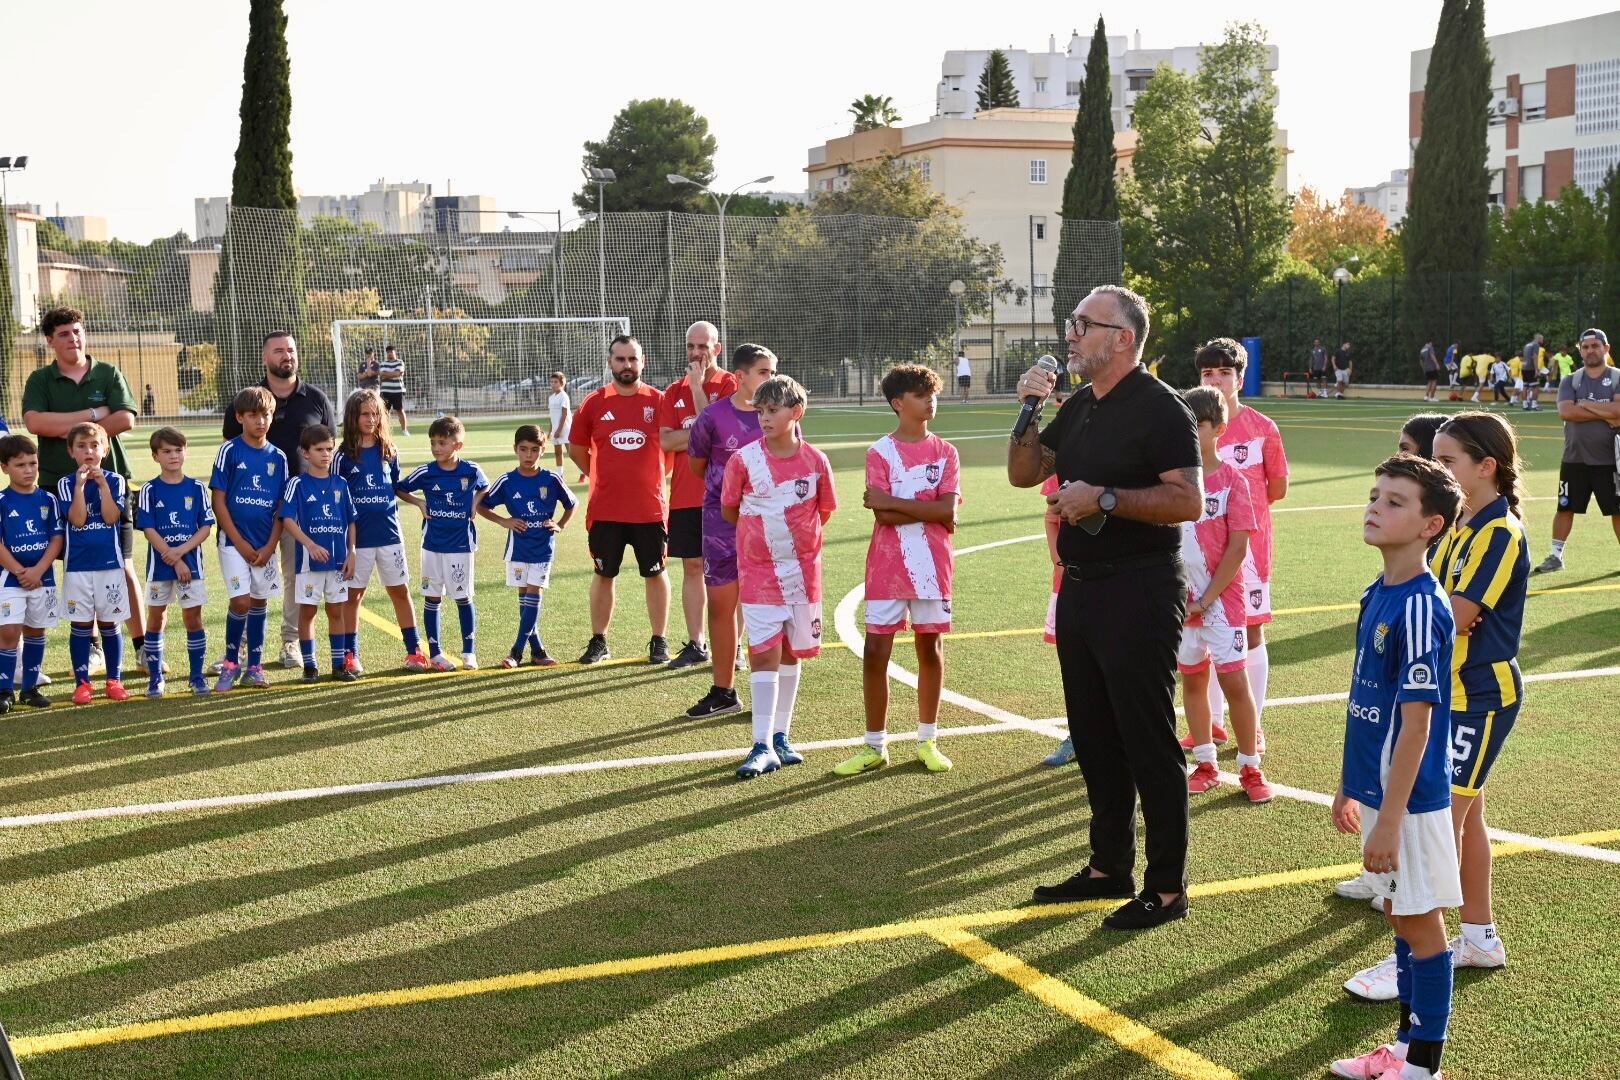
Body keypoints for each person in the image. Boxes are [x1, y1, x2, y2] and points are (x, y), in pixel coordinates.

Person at [1008, 284, 1203, 932]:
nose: (1070, 332)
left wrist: (1106, 499)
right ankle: (1108, 865)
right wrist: (1028, 410)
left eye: (1083, 323)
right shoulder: (1082, 405)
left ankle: (1168, 888)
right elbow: (1024, 470)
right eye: (1072, 322)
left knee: (1146, 740)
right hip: (1083, 588)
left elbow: (1187, 501)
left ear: (1122, 337)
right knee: (1093, 736)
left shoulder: (1161, 408)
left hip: (1140, 588)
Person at [1342, 412, 1528, 1001]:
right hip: (1449, 695)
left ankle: (1422, 958)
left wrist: (1405, 638)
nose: (1437, 467)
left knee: (1434, 828)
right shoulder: (1461, 527)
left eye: (1447, 461)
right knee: (1463, 820)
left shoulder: (1499, 533)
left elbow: (1461, 614)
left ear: (1486, 467)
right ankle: (1478, 935)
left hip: (1476, 697)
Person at [1328, 454, 1463, 1080]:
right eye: (1375, 494)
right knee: (1396, 913)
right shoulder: (1377, 592)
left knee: (1419, 919)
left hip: (1409, 797)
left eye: (1395, 502)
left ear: (1430, 526)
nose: (1376, 507)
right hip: (1380, 790)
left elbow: (1417, 725)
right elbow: (1368, 706)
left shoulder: (1418, 607)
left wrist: (1390, 821)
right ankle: (1405, 1050)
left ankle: (1423, 1066)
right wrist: (1350, 788)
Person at [834, 364, 960, 777]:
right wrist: (932, 510)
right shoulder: (879, 452)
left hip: (932, 566)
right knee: (875, 652)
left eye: (932, 392)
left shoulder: (946, 452)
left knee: (930, 649)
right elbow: (885, 519)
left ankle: (927, 739)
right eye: (921, 394)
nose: (931, 400)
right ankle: (875, 745)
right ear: (898, 404)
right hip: (887, 566)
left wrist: (894, 501)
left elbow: (944, 509)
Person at [719, 375, 836, 779]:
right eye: (760, 411)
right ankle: (761, 743)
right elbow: (730, 509)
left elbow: (824, 512)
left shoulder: (817, 461)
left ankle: (781, 737)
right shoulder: (743, 460)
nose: (765, 418)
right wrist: (765, 540)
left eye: (773, 410)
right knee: (763, 651)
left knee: (791, 651)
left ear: (796, 412)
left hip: (804, 575)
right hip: (759, 575)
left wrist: (794, 544)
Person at [23, 306, 147, 680]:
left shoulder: (107, 371)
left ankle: (143, 647)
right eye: (63, 333)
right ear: (50, 341)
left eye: (77, 331)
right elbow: (34, 422)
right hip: (59, 484)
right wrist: (94, 415)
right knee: (78, 568)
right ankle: (92, 648)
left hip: (111, 482)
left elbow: (125, 417)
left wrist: (69, 427)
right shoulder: (41, 379)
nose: (72, 338)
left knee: (123, 564)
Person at [1176, 387, 1272, 803]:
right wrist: (1182, 599)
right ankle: (1205, 762)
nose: (1188, 432)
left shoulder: (1232, 479)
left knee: (1234, 682)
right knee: (1192, 680)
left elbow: (1238, 547)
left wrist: (1205, 599)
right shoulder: (1172, 481)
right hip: (1181, 603)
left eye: (1197, 425)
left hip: (1222, 603)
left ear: (1218, 429)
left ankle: (1250, 767)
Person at [222, 331, 337, 669]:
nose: (286, 356)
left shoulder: (315, 398)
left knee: (294, 577)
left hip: (302, 508)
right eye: (278, 351)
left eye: (290, 350)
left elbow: (329, 446)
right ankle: (239, 648)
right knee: (247, 581)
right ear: (265, 358)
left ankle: (290, 643)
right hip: (253, 509)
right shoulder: (247, 399)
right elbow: (233, 450)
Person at [1195, 338, 1288, 751]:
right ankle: (1213, 721)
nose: (1215, 379)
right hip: (1200, 553)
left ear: (1240, 378)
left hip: (1248, 551)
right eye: (1207, 373)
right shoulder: (1190, 426)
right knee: (1206, 635)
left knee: (1249, 634)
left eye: (1224, 372)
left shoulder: (1262, 428)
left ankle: (1254, 724)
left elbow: (1278, 487)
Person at [683, 344, 777, 719]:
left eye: (774, 372)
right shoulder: (713, 417)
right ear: (740, 377)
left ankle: (770, 696)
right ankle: (723, 691)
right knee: (721, 607)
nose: (773, 379)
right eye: (765, 372)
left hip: (770, 527)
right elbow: (697, 466)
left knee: (768, 610)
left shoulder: (782, 415)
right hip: (721, 526)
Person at [568, 335, 671, 666]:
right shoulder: (594, 402)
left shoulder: (659, 401)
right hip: (606, 508)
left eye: (633, 359)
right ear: (610, 362)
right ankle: (599, 641)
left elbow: (670, 450)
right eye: (620, 359)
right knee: (603, 574)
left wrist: (651, 476)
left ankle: (659, 640)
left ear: (643, 362)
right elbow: (575, 447)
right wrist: (599, 474)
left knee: (656, 573)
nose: (627, 365)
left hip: (650, 508)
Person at [659, 321, 739, 671]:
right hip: (686, 495)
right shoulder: (671, 392)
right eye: (691, 346)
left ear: (716, 349)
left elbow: (716, 430)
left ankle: (733, 647)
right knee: (692, 566)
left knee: (731, 572)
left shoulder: (731, 384)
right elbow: (665, 440)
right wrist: (697, 435)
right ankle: (697, 643)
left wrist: (695, 389)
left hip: (725, 494)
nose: (696, 353)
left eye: (703, 346)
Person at [335, 389, 427, 673]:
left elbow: (396, 487)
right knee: (354, 596)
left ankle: (414, 651)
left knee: (400, 591)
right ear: (353, 416)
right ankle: (351, 655)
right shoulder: (342, 456)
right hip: (357, 540)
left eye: (376, 414)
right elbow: (336, 498)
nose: (371, 419)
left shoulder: (389, 450)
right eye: (365, 413)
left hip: (390, 536)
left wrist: (419, 502)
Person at [396, 415, 489, 670]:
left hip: (461, 545)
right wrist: (419, 502)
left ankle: (469, 652)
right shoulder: (426, 472)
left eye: (442, 442)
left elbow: (485, 487)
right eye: (433, 443)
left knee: (463, 598)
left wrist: (475, 503)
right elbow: (400, 488)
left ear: (457, 445)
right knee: (431, 597)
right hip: (432, 545)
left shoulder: (471, 470)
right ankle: (436, 653)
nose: (436, 448)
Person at [211, 387, 288, 691]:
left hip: (265, 545)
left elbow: (283, 507)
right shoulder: (230, 451)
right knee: (240, 601)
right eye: (253, 415)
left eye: (265, 414)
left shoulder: (279, 457)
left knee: (259, 601)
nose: (260, 420)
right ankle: (231, 662)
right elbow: (219, 501)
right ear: (240, 417)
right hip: (233, 544)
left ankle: (254, 667)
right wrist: (240, 542)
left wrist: (270, 546)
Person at [479, 424, 575, 668]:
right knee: (525, 602)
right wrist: (504, 521)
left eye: (534, 450)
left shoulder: (551, 479)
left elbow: (571, 503)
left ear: (542, 451)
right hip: (518, 548)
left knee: (533, 596)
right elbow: (482, 506)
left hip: (543, 548)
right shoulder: (507, 480)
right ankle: (539, 651)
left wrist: (560, 525)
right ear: (515, 450)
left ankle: (516, 652)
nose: (528, 455)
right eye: (524, 449)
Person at [1532, 327, 1620, 574]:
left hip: (1610, 460)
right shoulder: (1570, 380)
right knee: (1565, 507)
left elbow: (1619, 413)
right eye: (1586, 346)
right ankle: (1556, 557)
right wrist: (1605, 411)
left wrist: (1586, 404)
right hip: (1574, 458)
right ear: (1580, 350)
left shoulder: (1617, 378)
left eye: (1596, 346)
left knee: (1618, 510)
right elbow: (1566, 412)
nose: (1591, 350)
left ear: (1606, 348)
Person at [57, 422, 131, 704]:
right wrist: (80, 486)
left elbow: (112, 517)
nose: (89, 451)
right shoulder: (66, 483)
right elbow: (77, 519)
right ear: (71, 451)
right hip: (77, 566)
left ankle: (114, 680)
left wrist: (101, 485)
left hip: (109, 564)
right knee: (81, 625)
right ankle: (82, 683)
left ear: (105, 449)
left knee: (110, 623)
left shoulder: (115, 480)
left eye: (94, 445)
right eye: (81, 446)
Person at [137, 427, 214, 697]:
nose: (173, 456)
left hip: (190, 565)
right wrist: (169, 554)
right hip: (159, 566)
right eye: (166, 451)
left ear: (185, 452)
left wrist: (180, 553)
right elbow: (148, 528)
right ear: (155, 456)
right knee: (157, 617)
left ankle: (196, 677)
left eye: (178, 450)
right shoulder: (149, 489)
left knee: (193, 617)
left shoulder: (197, 488)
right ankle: (156, 678)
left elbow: (205, 527)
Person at [279, 425, 359, 682]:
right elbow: (287, 519)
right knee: (308, 612)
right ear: (305, 452)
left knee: (336, 612)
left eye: (329, 449)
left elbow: (351, 521)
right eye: (319, 449)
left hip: (337, 563)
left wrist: (352, 552)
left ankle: (338, 665)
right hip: (308, 564)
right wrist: (310, 544)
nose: (325, 454)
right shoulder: (297, 484)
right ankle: (311, 666)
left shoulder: (341, 484)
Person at [0, 434, 63, 710]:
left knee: (36, 630)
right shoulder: (2, 500)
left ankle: (30, 687)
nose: (28, 470)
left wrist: (38, 570)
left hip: (42, 578)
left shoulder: (48, 499)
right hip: (10, 579)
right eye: (20, 465)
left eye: (32, 463)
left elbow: (56, 539)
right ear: (5, 467)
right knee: (10, 631)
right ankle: (4, 690)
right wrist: (19, 571)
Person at [1037, 473, 1074, 767]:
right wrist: (1058, 560)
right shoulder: (1065, 458)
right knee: (1075, 665)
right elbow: (1051, 518)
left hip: (1118, 578)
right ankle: (1078, 736)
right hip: (1071, 582)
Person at [379, 345, 409, 435]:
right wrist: (392, 374)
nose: (389, 354)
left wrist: (387, 374)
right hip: (385, 391)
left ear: (395, 352)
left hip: (397, 391)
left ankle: (404, 430)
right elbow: (381, 374)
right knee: (384, 412)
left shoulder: (400, 362)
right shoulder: (383, 363)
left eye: (391, 352)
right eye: (387, 352)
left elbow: (397, 373)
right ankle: (384, 431)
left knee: (400, 410)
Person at [547, 372, 573, 472]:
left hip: (565, 429)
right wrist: (551, 431)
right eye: (551, 382)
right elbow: (551, 415)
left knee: (572, 454)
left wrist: (559, 430)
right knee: (558, 452)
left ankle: (583, 473)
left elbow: (564, 414)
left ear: (562, 383)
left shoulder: (564, 396)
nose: (553, 384)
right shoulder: (551, 397)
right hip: (555, 430)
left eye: (556, 382)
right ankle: (560, 474)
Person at [1520, 333, 1545, 411]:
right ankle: (1534, 405)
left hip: (1524, 367)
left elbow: (1524, 357)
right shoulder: (1536, 345)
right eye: (1542, 339)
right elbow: (1534, 357)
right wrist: (1536, 370)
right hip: (1531, 368)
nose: (1543, 340)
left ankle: (1524, 405)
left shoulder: (1527, 345)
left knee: (1525, 386)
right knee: (1535, 387)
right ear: (1538, 339)